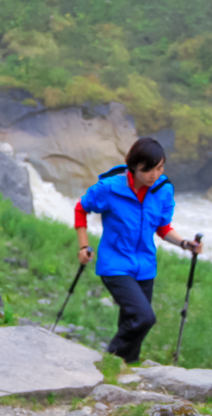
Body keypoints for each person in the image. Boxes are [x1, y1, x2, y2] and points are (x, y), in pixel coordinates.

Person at [74, 137, 202, 363]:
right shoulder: (110, 188)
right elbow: (80, 208)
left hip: (145, 267)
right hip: (114, 265)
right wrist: (83, 246)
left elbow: (162, 228)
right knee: (144, 318)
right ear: (133, 166)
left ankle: (125, 371)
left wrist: (185, 244)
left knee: (131, 323)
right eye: (149, 169)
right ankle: (109, 361)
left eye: (160, 167)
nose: (155, 174)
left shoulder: (163, 190)